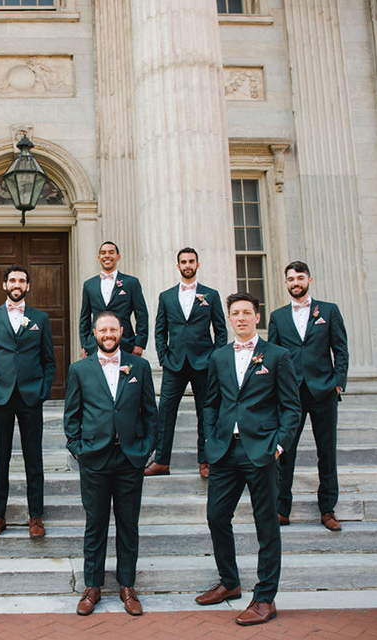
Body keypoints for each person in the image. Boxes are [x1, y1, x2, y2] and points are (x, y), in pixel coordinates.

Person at [195, 292, 300, 626]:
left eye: (246, 313)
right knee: (216, 516)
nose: (240, 318)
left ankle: (265, 597)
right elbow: (210, 402)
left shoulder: (278, 355)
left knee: (266, 525)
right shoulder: (219, 356)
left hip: (262, 450)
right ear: (229, 318)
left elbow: (292, 407)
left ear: (257, 317)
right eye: (235, 313)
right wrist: (211, 438)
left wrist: (280, 444)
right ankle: (230, 582)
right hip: (225, 450)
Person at [64, 312, 157, 616]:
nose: (108, 334)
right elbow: (72, 416)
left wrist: (145, 449)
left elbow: (150, 413)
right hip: (95, 458)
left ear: (121, 332)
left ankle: (127, 585)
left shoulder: (140, 367)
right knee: (96, 524)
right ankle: (92, 586)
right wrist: (79, 449)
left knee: (128, 524)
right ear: (94, 333)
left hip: (130, 458)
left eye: (112, 329)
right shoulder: (79, 369)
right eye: (102, 329)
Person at [0, 265, 56, 539]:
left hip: (31, 396)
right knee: (0, 458)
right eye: (12, 280)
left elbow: (48, 359)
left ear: (28, 286)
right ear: (4, 285)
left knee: (34, 458)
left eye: (21, 280)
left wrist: (43, 389)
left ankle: (36, 516)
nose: (17, 284)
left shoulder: (40, 318)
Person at [267, 261, 349, 531]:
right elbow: (274, 356)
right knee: (285, 451)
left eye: (299, 278)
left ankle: (327, 510)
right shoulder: (278, 317)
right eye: (290, 279)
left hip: (324, 390)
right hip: (291, 394)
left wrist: (338, 383)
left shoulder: (328, 311)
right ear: (286, 283)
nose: (295, 283)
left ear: (309, 280)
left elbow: (341, 349)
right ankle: (281, 508)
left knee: (326, 453)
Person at [147, 248, 227, 479]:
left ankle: (206, 461)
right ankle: (161, 461)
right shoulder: (166, 296)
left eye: (191, 261)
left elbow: (220, 330)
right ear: (178, 266)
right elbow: (160, 330)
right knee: (165, 413)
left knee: (206, 413)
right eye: (183, 261)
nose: (187, 265)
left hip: (204, 364)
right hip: (174, 364)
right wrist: (163, 357)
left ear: (198, 264)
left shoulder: (210, 295)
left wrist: (215, 358)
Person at [77, 241, 148, 359]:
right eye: (103, 253)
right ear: (99, 258)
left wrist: (139, 343)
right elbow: (85, 317)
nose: (107, 256)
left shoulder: (131, 283)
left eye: (111, 252)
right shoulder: (89, 285)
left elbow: (141, 315)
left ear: (118, 257)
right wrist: (84, 344)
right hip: (95, 345)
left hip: (125, 343)